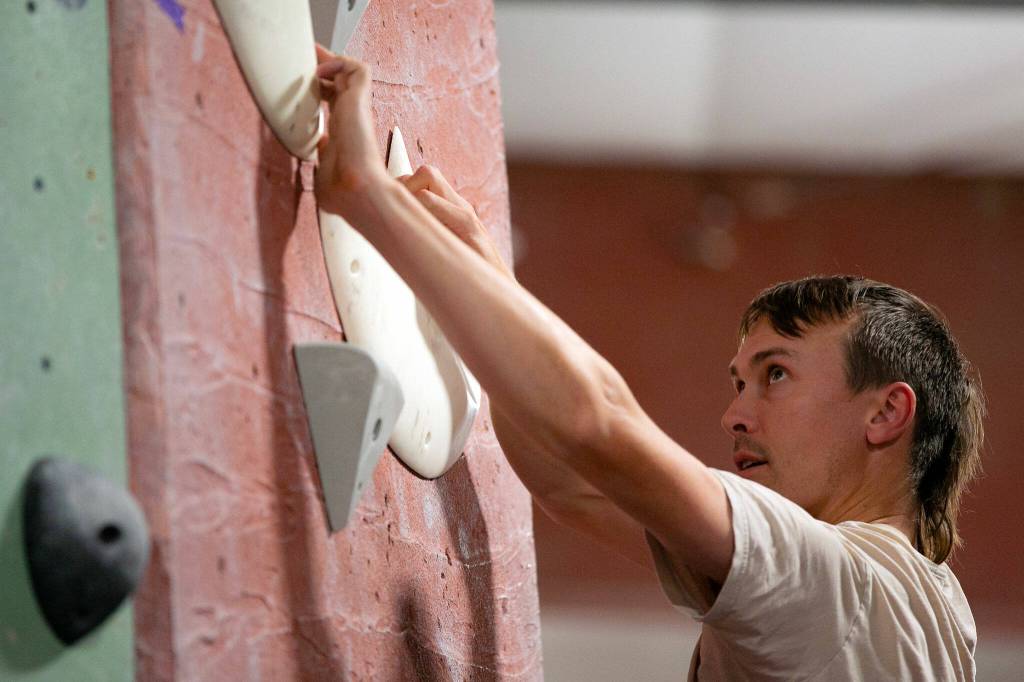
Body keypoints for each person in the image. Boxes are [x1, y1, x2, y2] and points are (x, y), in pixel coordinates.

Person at [312, 46, 984, 680]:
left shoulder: (837, 587)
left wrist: (364, 190)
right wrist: (484, 276)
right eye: (740, 382)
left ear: (887, 412)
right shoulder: (931, 609)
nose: (735, 415)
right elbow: (572, 484)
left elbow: (596, 423)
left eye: (776, 375)